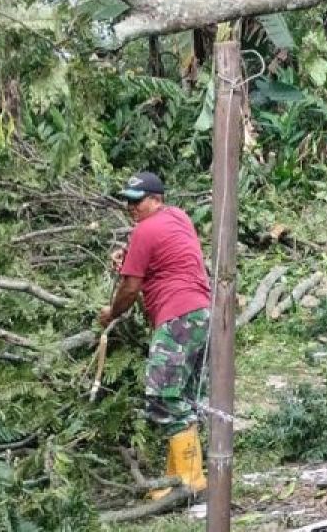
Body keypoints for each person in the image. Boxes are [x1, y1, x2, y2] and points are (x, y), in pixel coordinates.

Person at [99, 170, 211, 498]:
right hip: (202, 313)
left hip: (177, 316)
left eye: (137, 201)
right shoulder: (178, 217)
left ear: (156, 199)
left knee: (164, 398)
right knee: (186, 397)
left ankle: (191, 481)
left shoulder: (145, 231)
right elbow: (161, 256)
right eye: (127, 202)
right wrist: (129, 254)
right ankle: (178, 478)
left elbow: (131, 287)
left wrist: (111, 314)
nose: (131, 208)